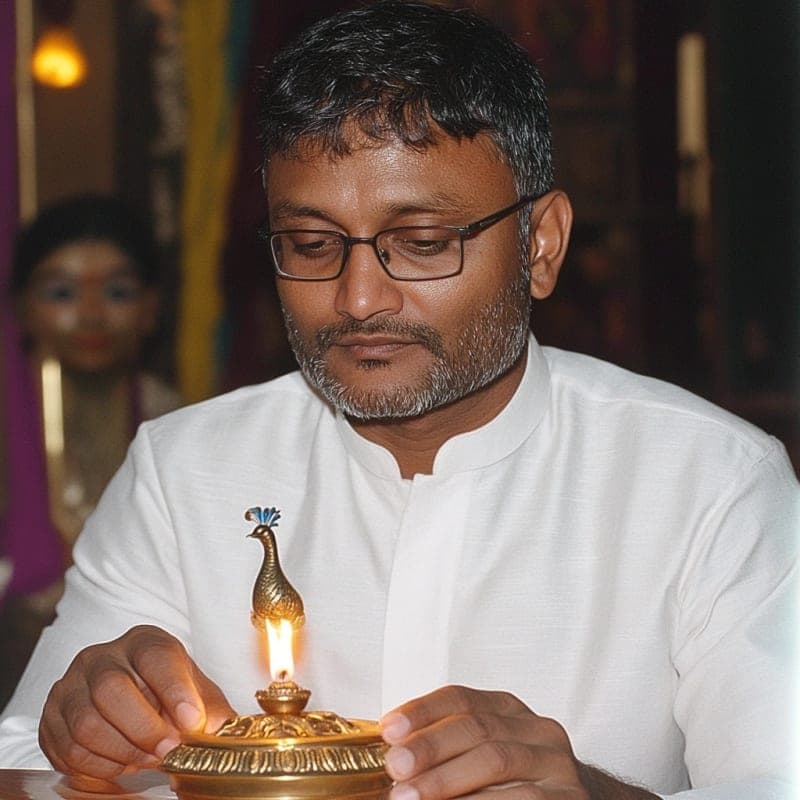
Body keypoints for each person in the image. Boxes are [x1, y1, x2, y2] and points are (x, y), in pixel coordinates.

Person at [0, 3, 797, 798]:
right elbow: (23, 767)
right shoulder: (184, 472)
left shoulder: (709, 483)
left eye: (421, 243)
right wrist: (84, 736)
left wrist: (591, 792)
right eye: (311, 245)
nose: (357, 298)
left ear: (541, 245)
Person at [0, 194, 181, 708]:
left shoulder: (182, 422)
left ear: (150, 309)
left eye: (118, 291)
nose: (91, 315)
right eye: (61, 292)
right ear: (21, 308)